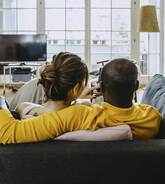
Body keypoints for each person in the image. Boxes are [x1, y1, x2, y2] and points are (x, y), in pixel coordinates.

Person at [0, 58, 162, 144]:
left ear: (101, 86)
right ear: (136, 86)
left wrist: (1, 99)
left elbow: (8, 133)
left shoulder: (80, 115)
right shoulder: (152, 117)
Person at [14, 52, 94, 119]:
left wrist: (75, 95)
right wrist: (77, 97)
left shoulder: (23, 109)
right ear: (75, 89)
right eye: (84, 82)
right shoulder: (84, 109)